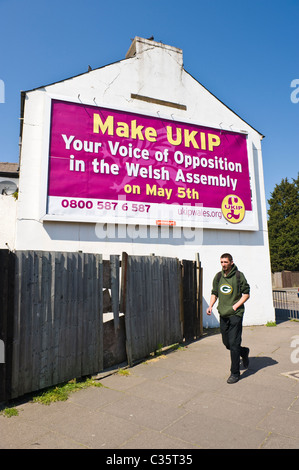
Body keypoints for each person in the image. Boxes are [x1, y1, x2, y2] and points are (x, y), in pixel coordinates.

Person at [207, 253, 250, 384]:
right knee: (227, 343)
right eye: (222, 262)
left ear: (231, 262)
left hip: (235, 314)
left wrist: (236, 306)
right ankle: (244, 351)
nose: (223, 264)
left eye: (226, 262)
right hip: (223, 314)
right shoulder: (218, 276)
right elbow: (215, 293)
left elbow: (246, 294)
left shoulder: (238, 276)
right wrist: (210, 306)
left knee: (234, 344)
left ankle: (235, 373)